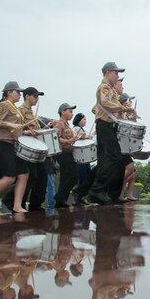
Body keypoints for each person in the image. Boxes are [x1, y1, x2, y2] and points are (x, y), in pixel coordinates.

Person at [0, 82, 40, 215]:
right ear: (9, 92)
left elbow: (17, 130)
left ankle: (17, 205)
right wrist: (10, 124)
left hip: (14, 144)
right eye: (17, 92)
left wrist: (29, 132)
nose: (19, 94)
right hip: (4, 144)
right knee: (9, 178)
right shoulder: (4, 105)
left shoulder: (15, 109)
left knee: (24, 175)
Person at [88, 62, 134, 205]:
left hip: (109, 125)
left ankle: (109, 193)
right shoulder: (104, 88)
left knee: (106, 159)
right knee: (113, 157)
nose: (117, 76)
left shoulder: (110, 89)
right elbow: (106, 103)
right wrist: (123, 108)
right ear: (108, 72)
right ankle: (97, 190)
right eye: (116, 73)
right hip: (105, 125)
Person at [53, 102, 80, 208]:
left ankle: (61, 200)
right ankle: (60, 196)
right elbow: (55, 138)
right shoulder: (59, 124)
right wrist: (68, 141)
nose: (72, 114)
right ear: (63, 112)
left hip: (68, 152)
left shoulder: (67, 125)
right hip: (63, 152)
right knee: (73, 175)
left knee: (65, 177)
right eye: (70, 111)